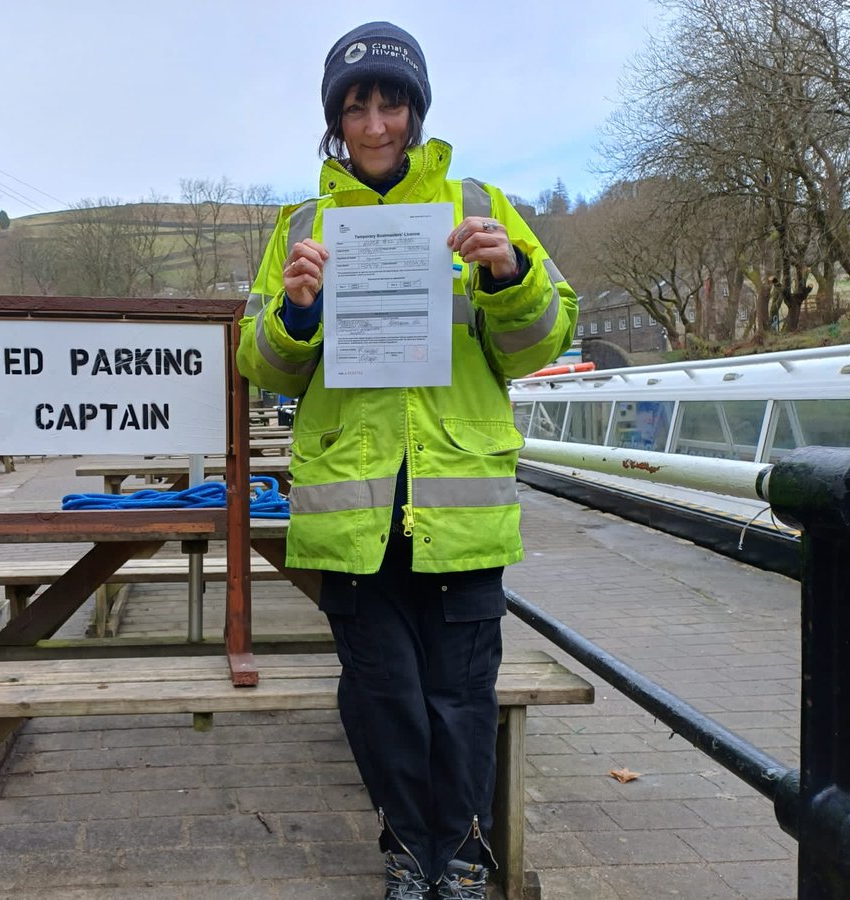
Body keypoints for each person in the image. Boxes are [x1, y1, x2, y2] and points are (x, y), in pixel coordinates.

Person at [236, 21, 578, 900]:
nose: (377, 122)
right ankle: (406, 853)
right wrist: (296, 310)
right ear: (336, 121)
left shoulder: (479, 204)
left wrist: (509, 278)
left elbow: (545, 340)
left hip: (457, 505)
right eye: (358, 106)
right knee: (382, 695)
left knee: (461, 696)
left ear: (416, 109)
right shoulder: (301, 225)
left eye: (392, 102)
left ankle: (460, 859)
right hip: (353, 512)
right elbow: (260, 367)